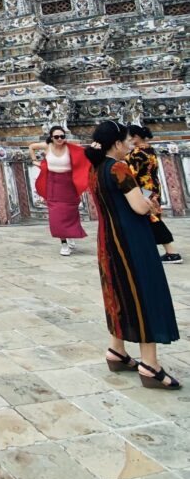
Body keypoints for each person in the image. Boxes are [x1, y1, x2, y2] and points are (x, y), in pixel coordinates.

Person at [85, 119, 181, 390]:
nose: (130, 144)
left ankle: (117, 351)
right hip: (131, 240)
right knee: (143, 294)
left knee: (118, 292)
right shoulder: (118, 168)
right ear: (116, 144)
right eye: (127, 140)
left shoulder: (94, 169)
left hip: (109, 240)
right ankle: (150, 364)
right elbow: (138, 207)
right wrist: (150, 204)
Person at [29, 125, 90, 255]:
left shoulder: (70, 148)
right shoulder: (47, 147)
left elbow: (85, 154)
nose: (60, 139)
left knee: (70, 213)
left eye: (62, 136)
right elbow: (31, 147)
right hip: (53, 183)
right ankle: (63, 243)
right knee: (56, 215)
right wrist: (35, 161)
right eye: (56, 137)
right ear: (51, 138)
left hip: (69, 184)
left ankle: (70, 236)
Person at [126, 125, 182, 264]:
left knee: (153, 218)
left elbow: (131, 174)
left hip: (144, 190)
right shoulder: (149, 149)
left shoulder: (137, 153)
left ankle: (172, 252)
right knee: (149, 217)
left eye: (128, 136)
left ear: (135, 137)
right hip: (154, 187)